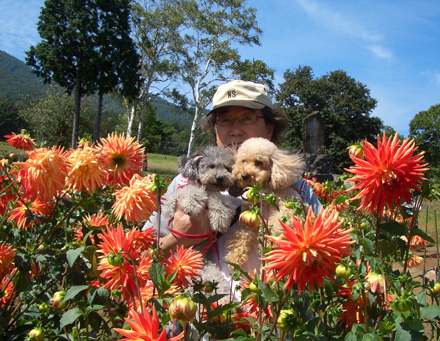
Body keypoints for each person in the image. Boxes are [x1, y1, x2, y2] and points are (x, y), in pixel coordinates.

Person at [144, 80, 321, 286]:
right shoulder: (186, 183)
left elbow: (323, 257)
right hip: (198, 311)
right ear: (214, 129)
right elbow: (141, 254)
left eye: (247, 118)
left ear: (269, 129)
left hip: (271, 314)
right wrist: (179, 238)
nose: (235, 130)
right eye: (225, 120)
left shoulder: (298, 191)